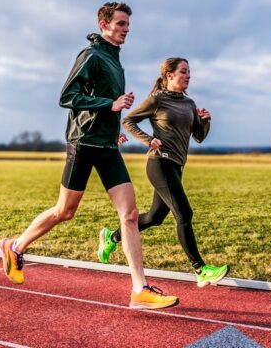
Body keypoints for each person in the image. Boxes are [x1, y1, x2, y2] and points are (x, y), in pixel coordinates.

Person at [0, 2, 178, 310]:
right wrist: (110, 104)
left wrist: (113, 126)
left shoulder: (114, 60)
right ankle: (14, 246)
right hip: (83, 143)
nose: (126, 29)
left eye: (127, 24)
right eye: (120, 23)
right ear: (103, 24)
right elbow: (67, 97)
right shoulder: (91, 56)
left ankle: (140, 289)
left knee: (130, 215)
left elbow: (106, 104)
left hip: (107, 146)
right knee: (64, 211)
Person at [97, 57, 229, 288]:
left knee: (155, 218)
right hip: (159, 164)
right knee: (184, 214)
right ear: (169, 75)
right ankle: (201, 269)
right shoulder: (157, 99)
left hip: (176, 166)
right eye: (184, 72)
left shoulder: (189, 104)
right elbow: (129, 121)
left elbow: (198, 136)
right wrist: (149, 140)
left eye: (189, 72)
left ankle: (112, 237)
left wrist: (205, 121)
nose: (189, 76)